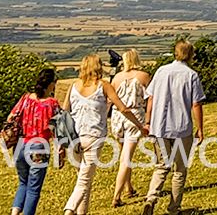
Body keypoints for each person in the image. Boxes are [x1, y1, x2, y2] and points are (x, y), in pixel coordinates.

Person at [62, 53, 148, 215]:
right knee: (84, 182)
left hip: (74, 138)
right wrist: (140, 125)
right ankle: (69, 210)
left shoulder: (73, 86)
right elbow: (123, 108)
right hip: (93, 137)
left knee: (83, 180)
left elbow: (64, 113)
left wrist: (61, 143)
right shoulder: (103, 86)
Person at [143, 40, 206, 215]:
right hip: (181, 127)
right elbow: (196, 104)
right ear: (191, 55)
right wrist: (200, 128)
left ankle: (151, 199)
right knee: (179, 170)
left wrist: (148, 121)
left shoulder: (161, 71)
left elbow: (151, 98)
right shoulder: (191, 75)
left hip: (160, 126)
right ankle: (173, 208)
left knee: (161, 166)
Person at [7, 67, 61, 215]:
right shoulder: (52, 103)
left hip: (20, 145)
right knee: (34, 189)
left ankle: (14, 212)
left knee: (23, 183)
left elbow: (10, 118)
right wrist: (60, 149)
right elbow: (57, 129)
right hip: (39, 146)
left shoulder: (25, 99)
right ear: (50, 84)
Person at [109, 50, 152, 207]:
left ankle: (129, 187)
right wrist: (147, 121)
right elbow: (150, 99)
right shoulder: (144, 76)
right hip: (134, 116)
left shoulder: (116, 78)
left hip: (117, 116)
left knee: (123, 155)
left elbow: (110, 99)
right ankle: (116, 196)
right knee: (126, 158)